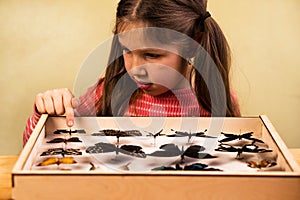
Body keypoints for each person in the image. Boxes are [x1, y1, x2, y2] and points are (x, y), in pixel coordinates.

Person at [23, 0, 240, 145]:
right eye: (127, 50)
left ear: (193, 44)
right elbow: (35, 149)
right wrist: (48, 113)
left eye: (152, 55)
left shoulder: (213, 102)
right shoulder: (105, 93)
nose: (135, 69)